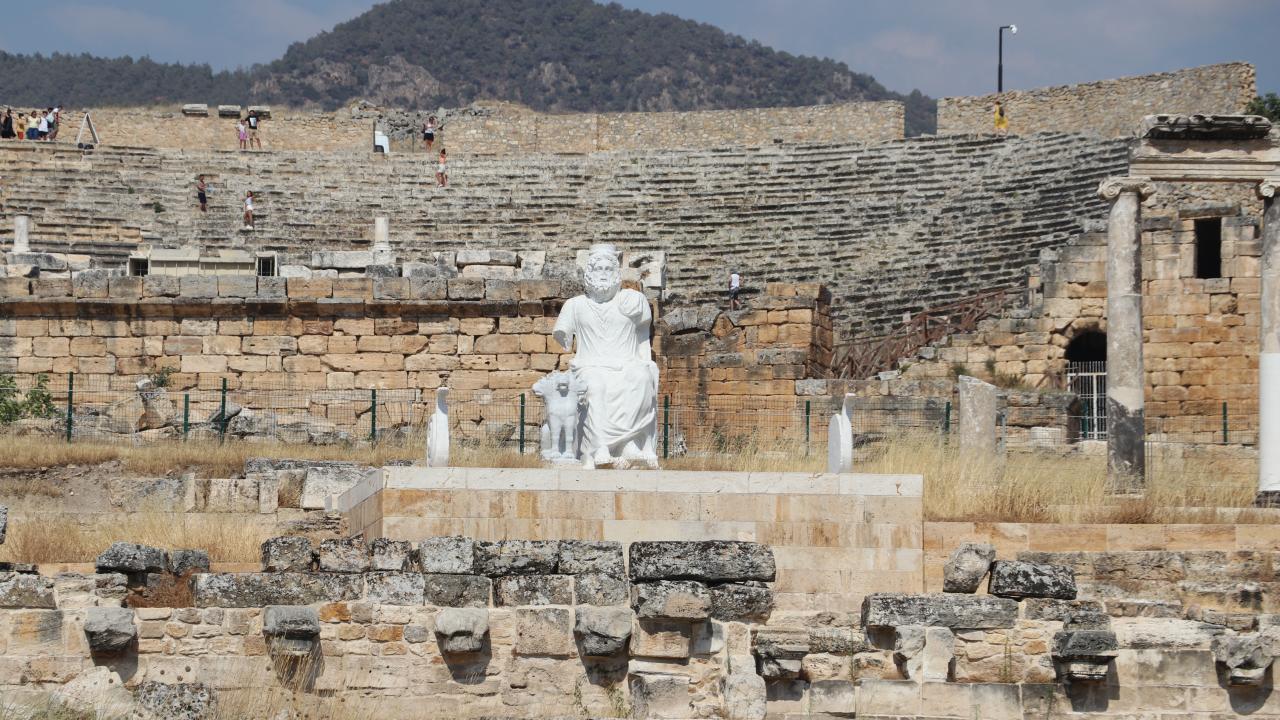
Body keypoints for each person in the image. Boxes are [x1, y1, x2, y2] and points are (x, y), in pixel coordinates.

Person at [552, 244, 660, 469]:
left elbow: (644, 326)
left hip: (626, 363)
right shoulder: (575, 305)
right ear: (589, 273)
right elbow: (562, 336)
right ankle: (600, 446)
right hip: (590, 365)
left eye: (608, 269)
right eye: (598, 268)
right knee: (595, 385)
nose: (603, 273)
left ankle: (629, 444)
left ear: (616, 273)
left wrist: (637, 300)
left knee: (641, 377)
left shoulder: (632, 300)